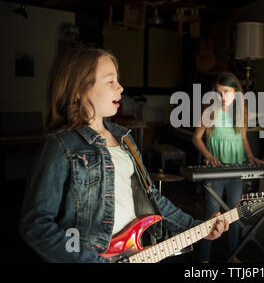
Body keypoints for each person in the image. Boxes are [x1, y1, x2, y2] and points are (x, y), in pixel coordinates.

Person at [19, 47, 228, 263]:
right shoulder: (61, 145)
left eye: (117, 80)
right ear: (79, 89)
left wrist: (196, 227)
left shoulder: (124, 138)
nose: (120, 87)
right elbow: (36, 225)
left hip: (132, 253)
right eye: (110, 81)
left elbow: (152, 199)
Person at [192, 71, 264, 263]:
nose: (222, 96)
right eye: (218, 92)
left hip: (236, 169)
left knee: (233, 211)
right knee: (212, 212)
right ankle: (204, 258)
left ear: (236, 93)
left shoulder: (240, 113)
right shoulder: (210, 112)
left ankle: (233, 254)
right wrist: (208, 155)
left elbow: (243, 139)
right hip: (216, 169)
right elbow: (196, 138)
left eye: (226, 92)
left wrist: (250, 156)